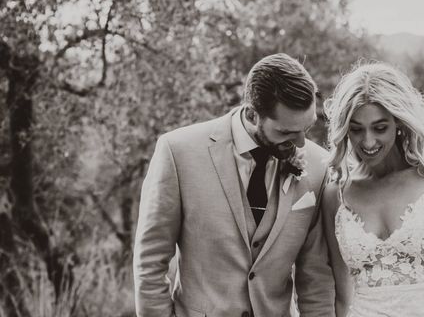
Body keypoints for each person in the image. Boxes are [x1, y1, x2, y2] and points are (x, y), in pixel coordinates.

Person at [133, 53, 336, 317]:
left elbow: (316, 278)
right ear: (252, 114)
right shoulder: (178, 152)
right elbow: (150, 262)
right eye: (285, 132)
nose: (300, 144)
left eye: (306, 129)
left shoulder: (319, 166)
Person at [321, 62, 424, 317]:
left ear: (398, 122)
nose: (368, 141)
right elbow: (342, 294)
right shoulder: (337, 193)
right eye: (356, 129)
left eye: (380, 128)